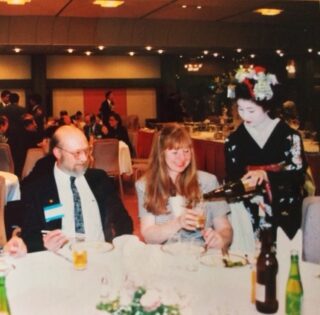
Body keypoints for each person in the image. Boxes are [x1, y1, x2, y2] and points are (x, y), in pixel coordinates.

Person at [224, 66, 307, 240]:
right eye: (241, 109)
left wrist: (266, 174)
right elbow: (233, 177)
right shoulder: (234, 140)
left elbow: (297, 173)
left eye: (251, 110)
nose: (245, 115)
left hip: (284, 207)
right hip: (249, 209)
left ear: (267, 107)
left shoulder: (289, 136)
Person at [20, 125, 133, 252]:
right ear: (58, 153)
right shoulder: (38, 189)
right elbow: (28, 236)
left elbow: (123, 222)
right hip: (59, 260)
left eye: (87, 151)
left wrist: (118, 250)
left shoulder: (99, 179)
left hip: (99, 256)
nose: (84, 158)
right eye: (77, 153)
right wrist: (44, 244)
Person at [135, 124, 232, 249]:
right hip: (164, 257)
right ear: (160, 154)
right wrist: (179, 222)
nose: (182, 158)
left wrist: (221, 239)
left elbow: (225, 228)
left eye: (186, 151)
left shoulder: (208, 182)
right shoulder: (145, 185)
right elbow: (149, 235)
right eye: (175, 152)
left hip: (202, 254)